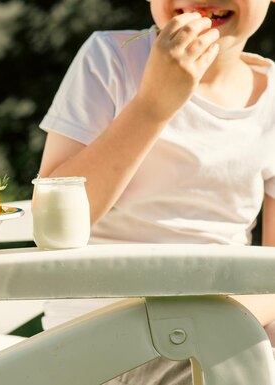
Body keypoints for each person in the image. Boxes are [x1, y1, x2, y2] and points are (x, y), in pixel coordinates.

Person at [37, 0, 275, 383]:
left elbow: (272, 277)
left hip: (221, 337)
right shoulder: (112, 58)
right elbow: (53, 224)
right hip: (97, 347)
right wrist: (153, 104)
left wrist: (225, 326)